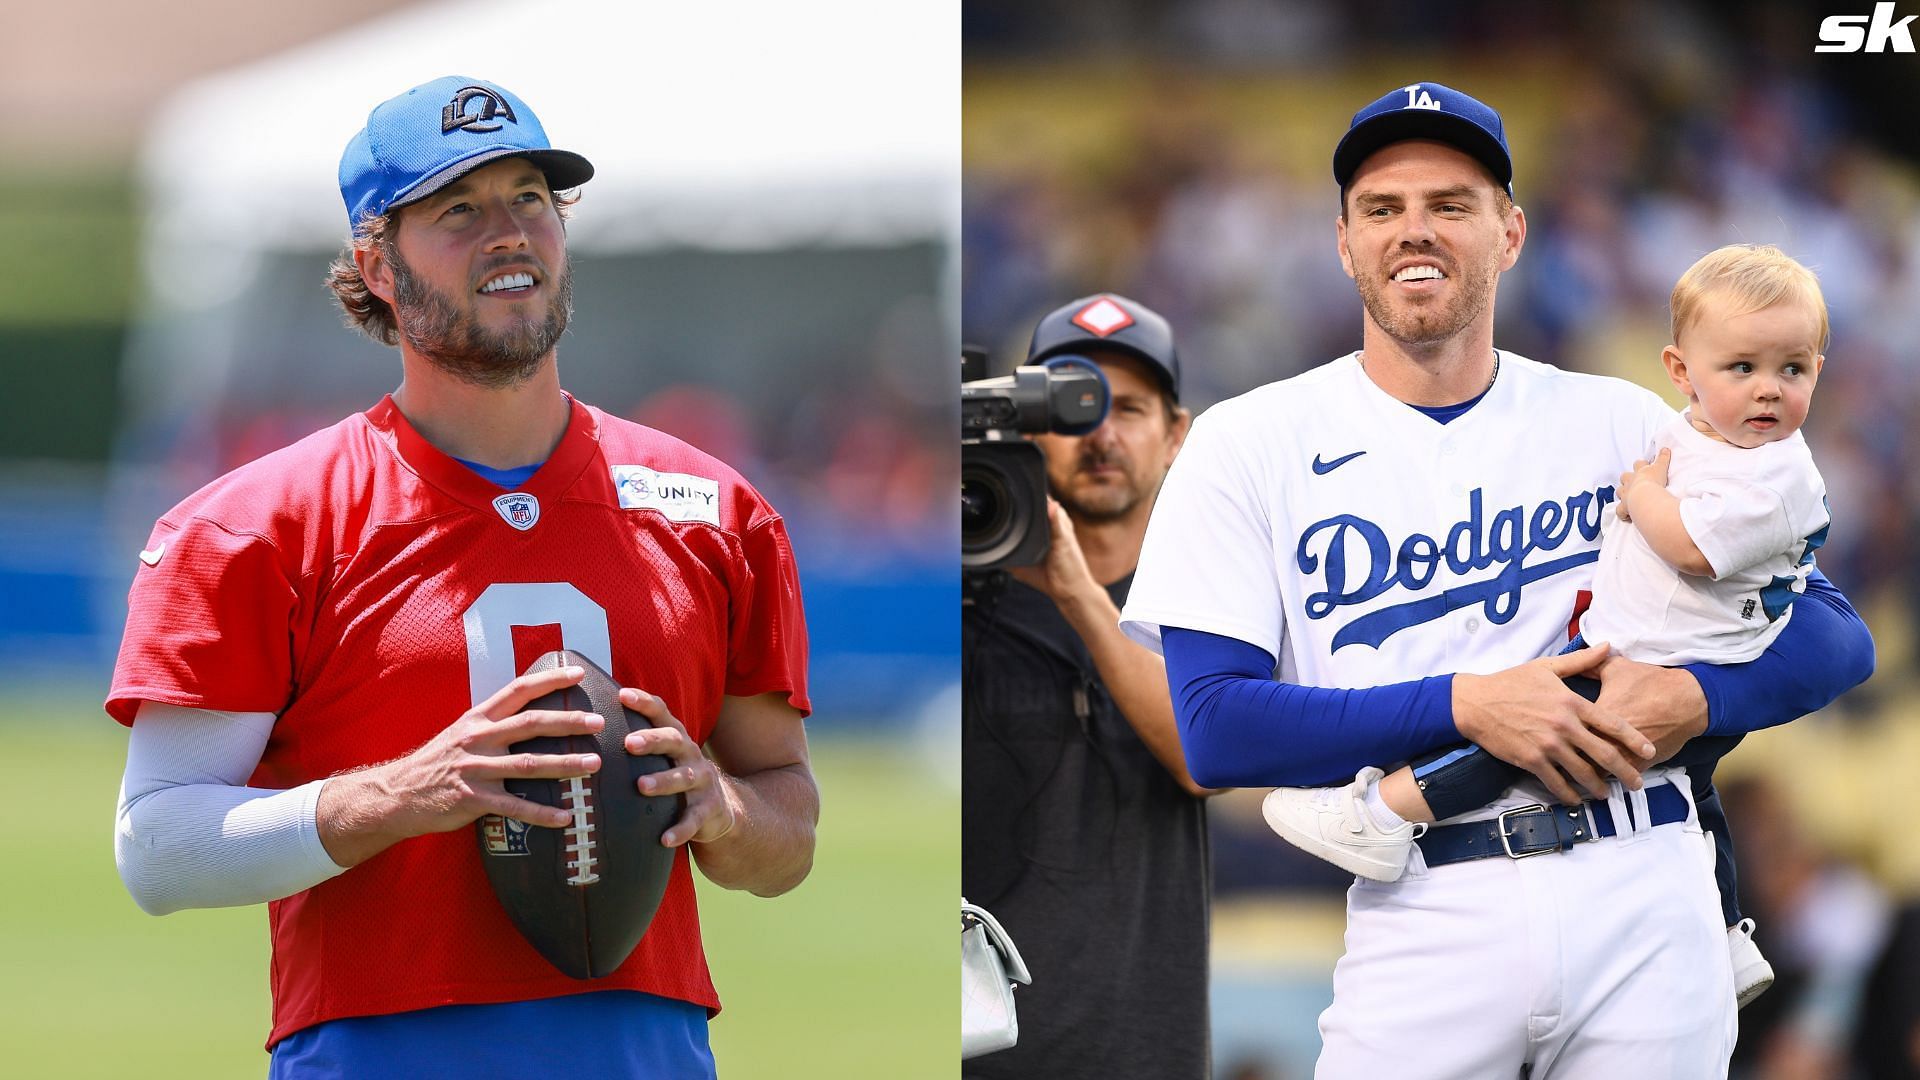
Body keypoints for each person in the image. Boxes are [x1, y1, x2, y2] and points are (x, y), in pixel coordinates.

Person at [1118, 82, 1874, 1075]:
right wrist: (1473, 705)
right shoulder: (1246, 444)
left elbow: (1833, 633)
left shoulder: (1624, 422)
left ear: (1510, 234)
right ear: (1343, 242)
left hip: (1642, 870)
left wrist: (1693, 696)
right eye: (1382, 210)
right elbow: (1216, 729)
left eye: (1451, 204)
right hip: (1427, 897)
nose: (1414, 230)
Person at [107, 76, 817, 1078]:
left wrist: (724, 809)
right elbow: (158, 850)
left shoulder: (716, 512)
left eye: (531, 197)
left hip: (644, 1050)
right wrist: (407, 793)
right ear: (377, 266)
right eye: (458, 211)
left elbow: (788, 824)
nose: (510, 234)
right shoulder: (255, 526)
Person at [1260, 242, 1834, 1010]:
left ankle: (1384, 811)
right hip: (1655, 642)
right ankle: (1728, 931)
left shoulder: (1776, 468)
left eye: (1790, 370)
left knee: (1522, 732)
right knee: (1694, 789)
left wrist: (1644, 497)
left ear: (1817, 371)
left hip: (1664, 650)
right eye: (1743, 368)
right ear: (1681, 369)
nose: (1767, 390)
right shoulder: (1709, 435)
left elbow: (1699, 552)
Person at [962, 293, 1214, 1080]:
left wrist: (1078, 595)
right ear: (1027, 426)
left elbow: (1204, 757)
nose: (1100, 433)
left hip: (1149, 1047)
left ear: (1177, 436)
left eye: (1129, 408)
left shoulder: (1213, 602)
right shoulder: (964, 591)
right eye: (1072, 406)